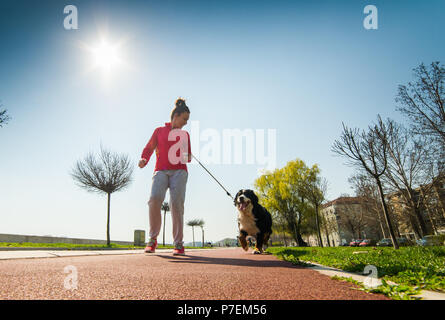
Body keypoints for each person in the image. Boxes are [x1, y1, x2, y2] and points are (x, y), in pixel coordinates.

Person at [138, 98, 191, 255]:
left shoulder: (184, 134)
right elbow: (149, 147)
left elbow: (187, 157)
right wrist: (144, 159)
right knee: (154, 199)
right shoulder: (159, 131)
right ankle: (153, 240)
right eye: (185, 119)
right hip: (161, 170)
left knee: (176, 205)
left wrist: (187, 154)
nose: (186, 123)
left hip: (179, 171)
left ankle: (178, 243)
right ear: (176, 116)